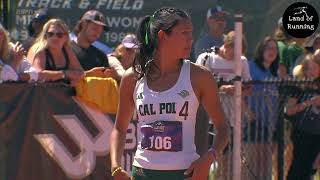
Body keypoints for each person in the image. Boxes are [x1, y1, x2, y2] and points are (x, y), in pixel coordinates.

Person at [110, 7, 229, 180]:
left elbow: (223, 128)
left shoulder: (200, 76)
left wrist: (210, 157)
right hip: (143, 174)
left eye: (191, 33)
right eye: (184, 33)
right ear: (162, 36)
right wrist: (115, 166)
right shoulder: (133, 77)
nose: (191, 39)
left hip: (186, 174)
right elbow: (120, 128)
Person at [196, 30, 251, 180]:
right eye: (234, 53)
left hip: (231, 120)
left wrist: (238, 89)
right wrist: (221, 89)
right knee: (203, 159)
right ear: (226, 45)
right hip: (206, 119)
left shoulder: (242, 61)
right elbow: (197, 85)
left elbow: (249, 88)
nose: (236, 58)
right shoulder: (207, 58)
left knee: (227, 161)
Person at [243, 36, 279, 180]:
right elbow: (240, 92)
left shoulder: (274, 73)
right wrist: (248, 112)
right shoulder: (251, 66)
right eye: (269, 47)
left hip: (270, 126)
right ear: (261, 50)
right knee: (252, 165)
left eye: (275, 49)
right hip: (253, 124)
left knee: (266, 166)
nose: (272, 51)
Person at [285, 54, 320, 180]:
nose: (311, 72)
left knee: (309, 169)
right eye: (308, 69)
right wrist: (308, 103)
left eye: (314, 68)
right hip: (302, 132)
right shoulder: (298, 87)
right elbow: (289, 111)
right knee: (298, 167)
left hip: (317, 134)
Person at [71, 10, 125, 81]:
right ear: (84, 24)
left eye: (100, 31)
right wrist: (89, 74)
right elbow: (61, 76)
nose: (97, 33)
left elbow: (107, 83)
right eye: (95, 28)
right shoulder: (66, 49)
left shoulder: (101, 56)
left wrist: (115, 76)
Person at [27, 19, 84, 85]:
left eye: (59, 35)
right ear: (45, 36)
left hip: (59, 92)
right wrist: (65, 74)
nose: (54, 38)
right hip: (37, 92)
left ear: (65, 37)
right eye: (50, 34)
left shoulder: (66, 50)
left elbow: (81, 73)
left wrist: (70, 77)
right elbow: (38, 74)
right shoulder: (40, 50)